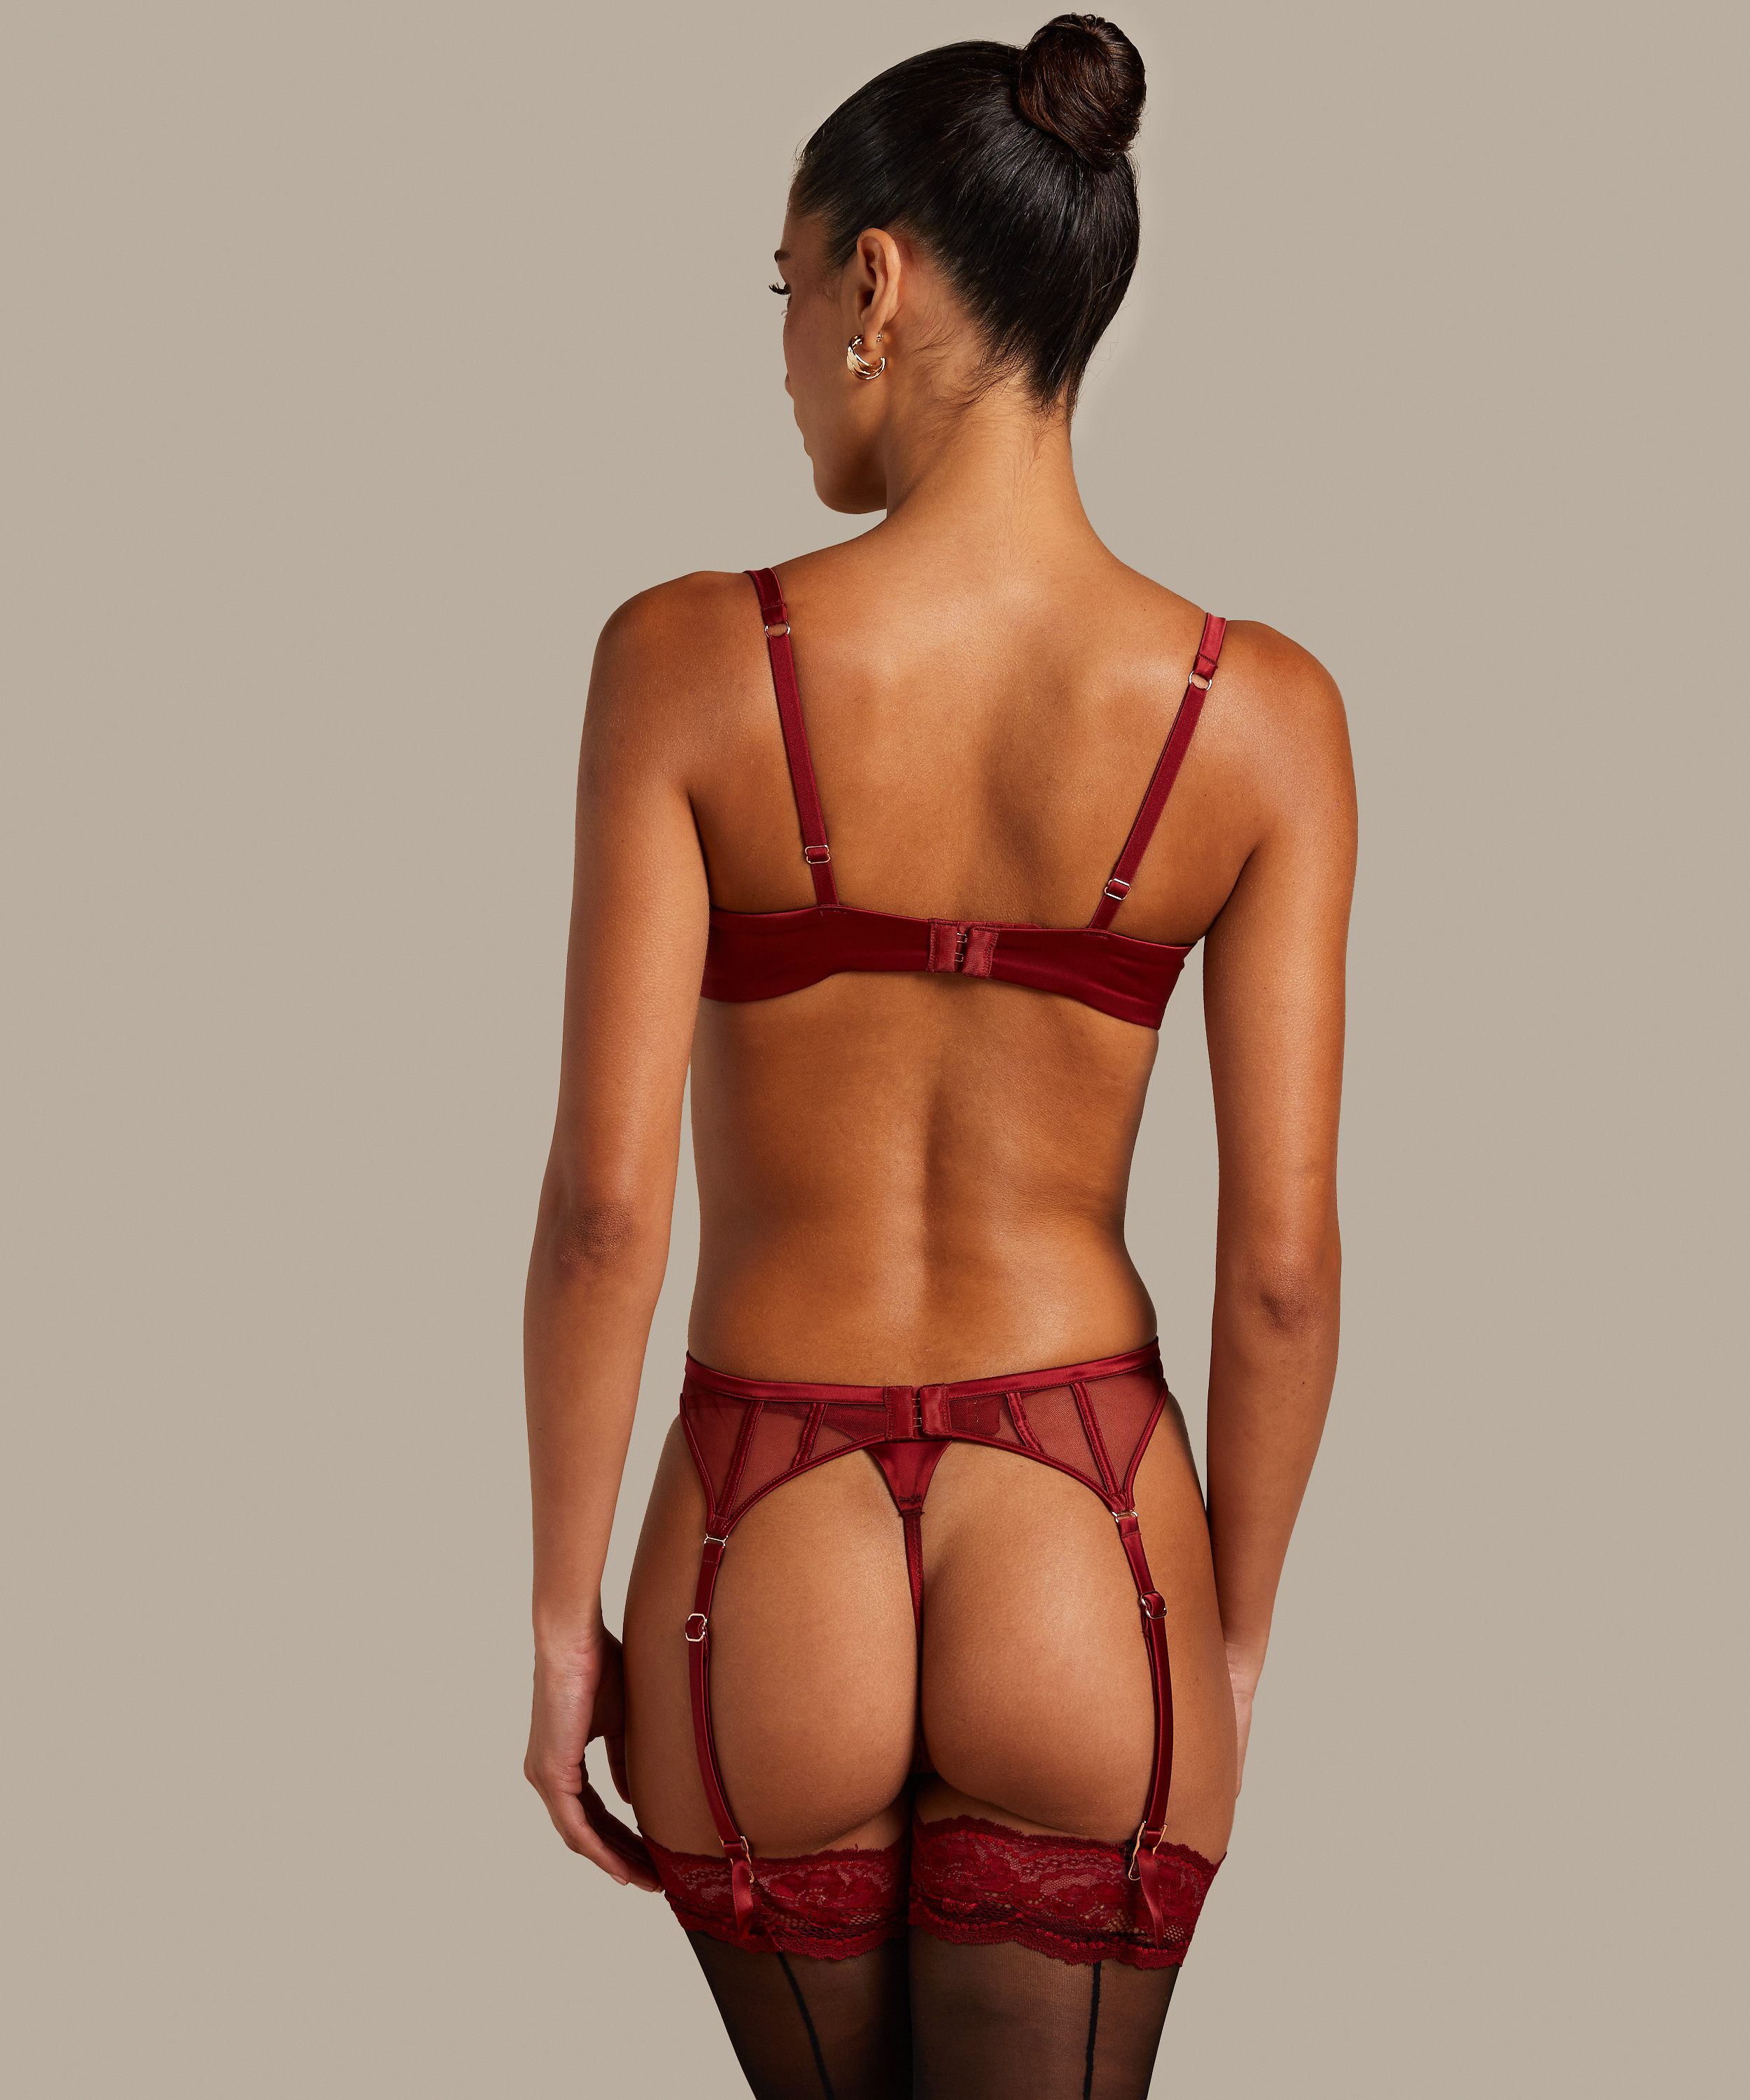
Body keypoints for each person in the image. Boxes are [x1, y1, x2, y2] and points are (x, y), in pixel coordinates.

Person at [522, 17, 1354, 2096]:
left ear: (874, 283)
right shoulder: (1261, 716)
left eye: (784, 287)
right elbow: (1279, 1276)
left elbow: (609, 1212)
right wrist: (1229, 1635)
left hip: (759, 1548)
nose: (784, 348)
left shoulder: (683, 663)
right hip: (1091, 1541)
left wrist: (556, 1623)